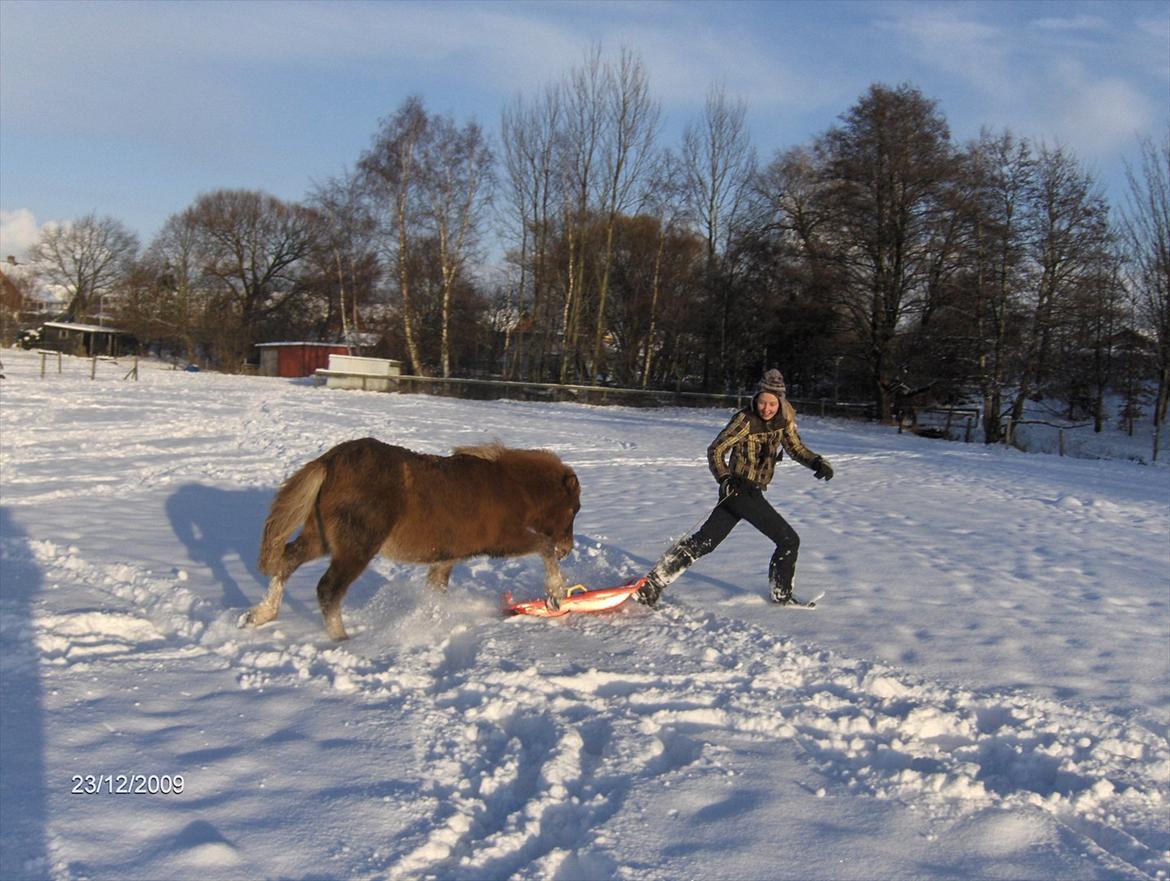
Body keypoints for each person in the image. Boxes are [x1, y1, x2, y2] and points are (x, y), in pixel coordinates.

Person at [635, 368, 834, 608]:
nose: (766, 409)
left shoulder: (783, 422)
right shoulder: (745, 420)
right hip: (738, 489)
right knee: (788, 540)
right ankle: (782, 596)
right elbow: (716, 450)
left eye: (772, 404)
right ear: (755, 400)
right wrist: (725, 479)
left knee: (705, 541)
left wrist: (816, 462)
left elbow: (795, 448)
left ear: (780, 402)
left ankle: (653, 584)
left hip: (749, 492)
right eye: (762, 403)